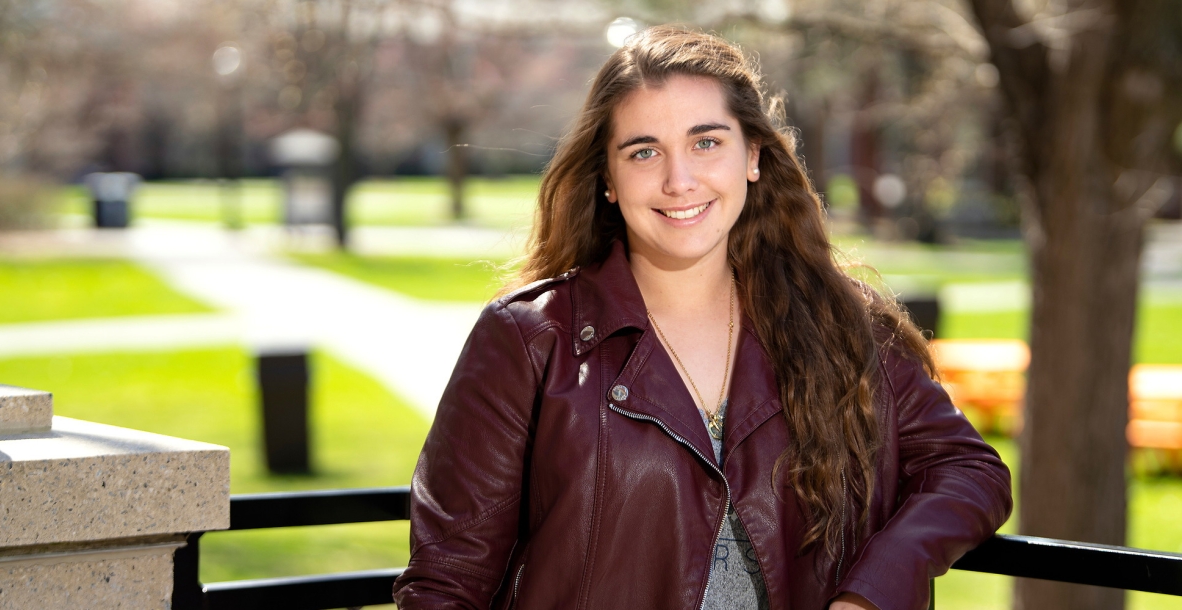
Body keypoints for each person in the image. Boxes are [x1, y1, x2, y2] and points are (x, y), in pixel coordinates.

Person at [394, 26, 1012, 610]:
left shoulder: (842, 325)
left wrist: (872, 591)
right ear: (608, 178)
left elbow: (969, 470)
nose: (679, 179)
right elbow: (447, 581)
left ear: (753, 157)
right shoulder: (530, 339)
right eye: (643, 152)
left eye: (706, 142)